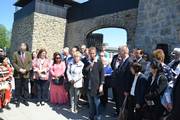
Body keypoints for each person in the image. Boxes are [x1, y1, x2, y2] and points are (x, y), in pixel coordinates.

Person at [84, 47, 104, 120]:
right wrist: (90, 65)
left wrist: (101, 85)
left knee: (97, 103)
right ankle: (91, 116)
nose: (92, 55)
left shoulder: (99, 62)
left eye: (93, 53)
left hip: (96, 86)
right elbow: (84, 72)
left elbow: (102, 74)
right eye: (91, 53)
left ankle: (98, 116)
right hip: (88, 85)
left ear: (95, 53)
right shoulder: (87, 62)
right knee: (91, 103)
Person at [113, 45, 134, 115]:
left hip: (124, 90)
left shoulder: (129, 62)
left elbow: (130, 78)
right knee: (121, 106)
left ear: (124, 52)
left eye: (120, 51)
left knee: (125, 108)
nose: (118, 53)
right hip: (120, 88)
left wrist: (127, 90)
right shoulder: (123, 61)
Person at [12, 42, 32, 107]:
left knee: (26, 87)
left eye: (24, 45)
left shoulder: (29, 54)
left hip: (26, 74)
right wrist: (19, 69)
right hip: (18, 74)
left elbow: (30, 63)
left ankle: (25, 100)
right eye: (21, 45)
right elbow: (14, 63)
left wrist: (26, 69)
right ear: (20, 47)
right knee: (18, 88)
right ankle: (18, 100)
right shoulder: (15, 54)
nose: (22, 47)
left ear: (26, 47)